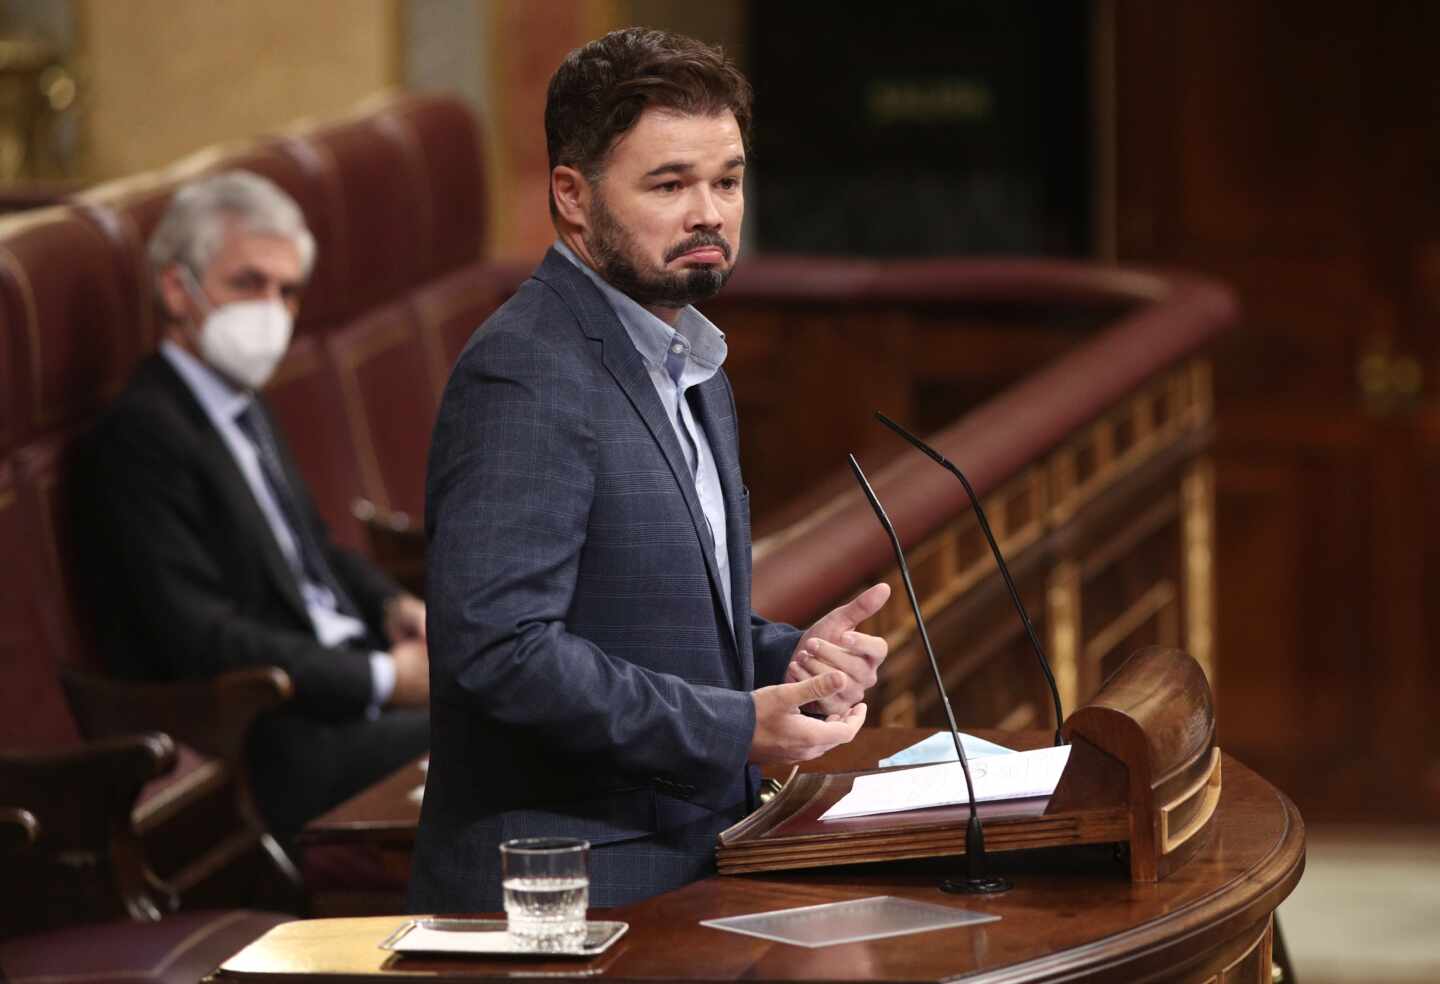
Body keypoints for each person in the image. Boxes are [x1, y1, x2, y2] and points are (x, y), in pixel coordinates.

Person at [410, 27, 892, 911]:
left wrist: (794, 660)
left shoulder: (691, 362)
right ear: (572, 198)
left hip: (689, 863)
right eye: (669, 185)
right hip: (570, 893)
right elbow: (500, 654)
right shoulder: (527, 369)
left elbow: (640, 621)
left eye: (728, 181)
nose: (709, 212)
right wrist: (736, 725)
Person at [84, 171, 431, 836]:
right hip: (280, 739)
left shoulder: (243, 402)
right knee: (511, 734)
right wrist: (382, 679)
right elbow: (203, 638)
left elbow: (311, 550)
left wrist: (391, 605)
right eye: (248, 284)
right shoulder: (139, 436)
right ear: (176, 289)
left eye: (288, 291)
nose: (271, 311)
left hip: (347, 690)